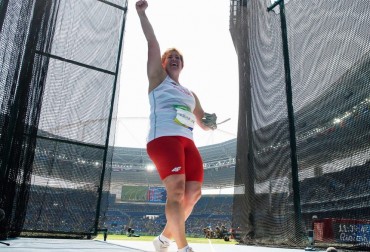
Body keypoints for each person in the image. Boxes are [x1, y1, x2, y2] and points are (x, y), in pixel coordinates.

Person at [135, 1, 217, 251]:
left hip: (187, 142)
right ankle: (183, 247)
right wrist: (142, 13)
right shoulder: (157, 80)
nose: (174, 59)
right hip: (164, 139)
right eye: (170, 57)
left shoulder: (191, 94)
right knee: (177, 192)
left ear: (182, 64)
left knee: (193, 195)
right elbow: (152, 43)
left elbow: (203, 124)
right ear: (162, 63)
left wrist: (210, 122)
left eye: (177, 58)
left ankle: (162, 240)